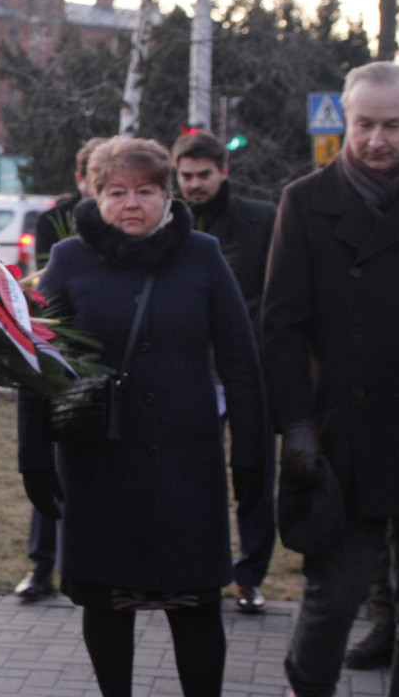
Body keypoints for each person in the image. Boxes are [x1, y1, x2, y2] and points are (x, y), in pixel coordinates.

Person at [18, 136, 268, 697]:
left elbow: (240, 360)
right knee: (108, 602)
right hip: (100, 463)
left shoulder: (201, 254)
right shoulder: (69, 258)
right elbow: (36, 358)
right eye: (116, 192)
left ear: (168, 194)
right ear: (97, 195)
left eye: (146, 191)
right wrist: (32, 456)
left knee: (196, 605)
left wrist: (251, 454)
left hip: (187, 465)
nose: (131, 203)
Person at [262, 61, 399, 697]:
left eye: (393, 125)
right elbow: (282, 327)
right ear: (345, 118)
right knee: (332, 600)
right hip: (343, 434)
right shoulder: (307, 202)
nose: (376, 140)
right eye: (363, 124)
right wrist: (297, 425)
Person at [172, 130, 277, 615]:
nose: (194, 185)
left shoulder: (261, 220)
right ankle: (195, 568)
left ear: (223, 171)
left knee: (254, 471)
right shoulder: (171, 224)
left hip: (252, 367)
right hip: (191, 369)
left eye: (203, 175)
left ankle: (251, 574)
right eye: (186, 176)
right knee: (195, 474)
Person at [15, 136, 106, 603]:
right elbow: (47, 279)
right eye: (99, 177)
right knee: (52, 463)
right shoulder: (56, 219)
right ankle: (41, 565)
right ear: (83, 178)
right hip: (65, 354)